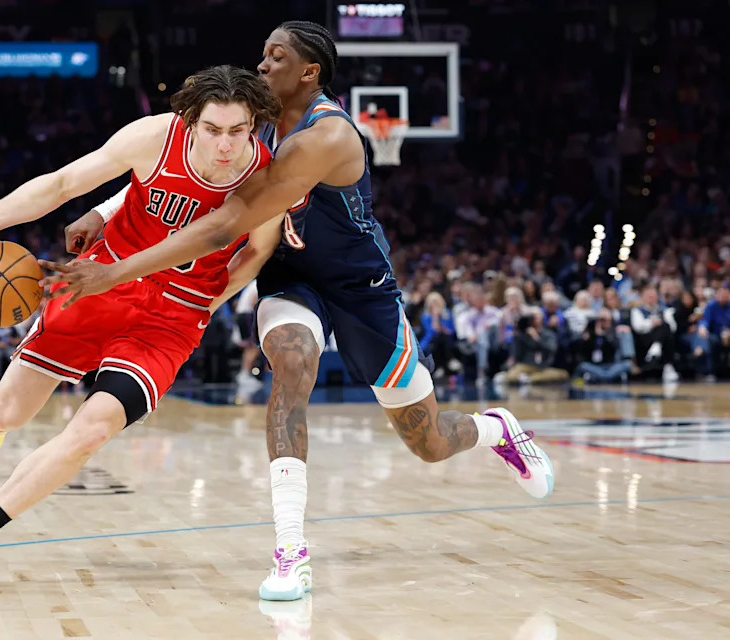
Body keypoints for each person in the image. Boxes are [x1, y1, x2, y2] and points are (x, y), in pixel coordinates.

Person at [52, 21, 554, 602]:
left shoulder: (328, 137)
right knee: (293, 368)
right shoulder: (252, 122)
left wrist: (112, 272)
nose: (262, 66)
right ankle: (291, 551)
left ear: (309, 72)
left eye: (276, 57)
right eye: (262, 54)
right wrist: (108, 211)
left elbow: (221, 225)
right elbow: (191, 175)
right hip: (291, 276)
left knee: (430, 442)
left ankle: (497, 429)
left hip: (361, 288)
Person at [0, 65, 284, 594]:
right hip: (97, 281)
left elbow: (256, 252)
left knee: (91, 431)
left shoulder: (266, 178)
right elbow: (63, 183)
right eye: (213, 129)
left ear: (252, 125)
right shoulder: (153, 137)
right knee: (11, 410)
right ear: (189, 121)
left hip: (170, 319)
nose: (227, 144)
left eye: (238, 131)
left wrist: (206, 303)